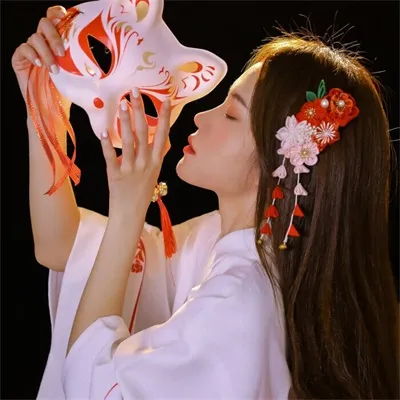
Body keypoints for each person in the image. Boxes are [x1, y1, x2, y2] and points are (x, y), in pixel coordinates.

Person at [12, 5, 399, 400]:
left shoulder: (239, 300)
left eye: (231, 113)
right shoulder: (229, 248)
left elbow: (88, 381)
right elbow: (64, 247)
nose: (200, 117)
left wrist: (128, 209)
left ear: (280, 161)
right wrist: (44, 109)